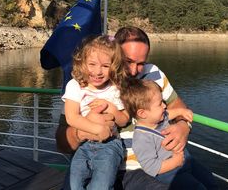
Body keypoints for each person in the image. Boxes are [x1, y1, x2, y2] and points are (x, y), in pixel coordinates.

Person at [55, 26, 192, 189]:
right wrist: (85, 130)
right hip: (102, 160)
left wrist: (183, 127)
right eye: (128, 62)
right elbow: (62, 142)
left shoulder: (152, 74)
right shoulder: (83, 85)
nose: (134, 71)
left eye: (141, 63)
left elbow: (178, 106)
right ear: (114, 56)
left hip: (151, 161)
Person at [121, 79, 217, 189]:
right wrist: (175, 161)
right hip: (170, 172)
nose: (164, 106)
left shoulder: (159, 118)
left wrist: (181, 111)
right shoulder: (142, 139)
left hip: (186, 160)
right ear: (142, 113)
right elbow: (151, 168)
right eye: (159, 104)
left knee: (208, 179)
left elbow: (169, 113)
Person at [62, 35, 129, 190]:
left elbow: (124, 120)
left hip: (110, 146)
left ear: (114, 66)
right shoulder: (75, 86)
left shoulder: (115, 87)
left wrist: (110, 107)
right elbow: (72, 118)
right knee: (74, 185)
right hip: (83, 146)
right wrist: (97, 129)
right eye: (92, 64)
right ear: (82, 62)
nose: (98, 72)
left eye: (105, 66)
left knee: (101, 186)